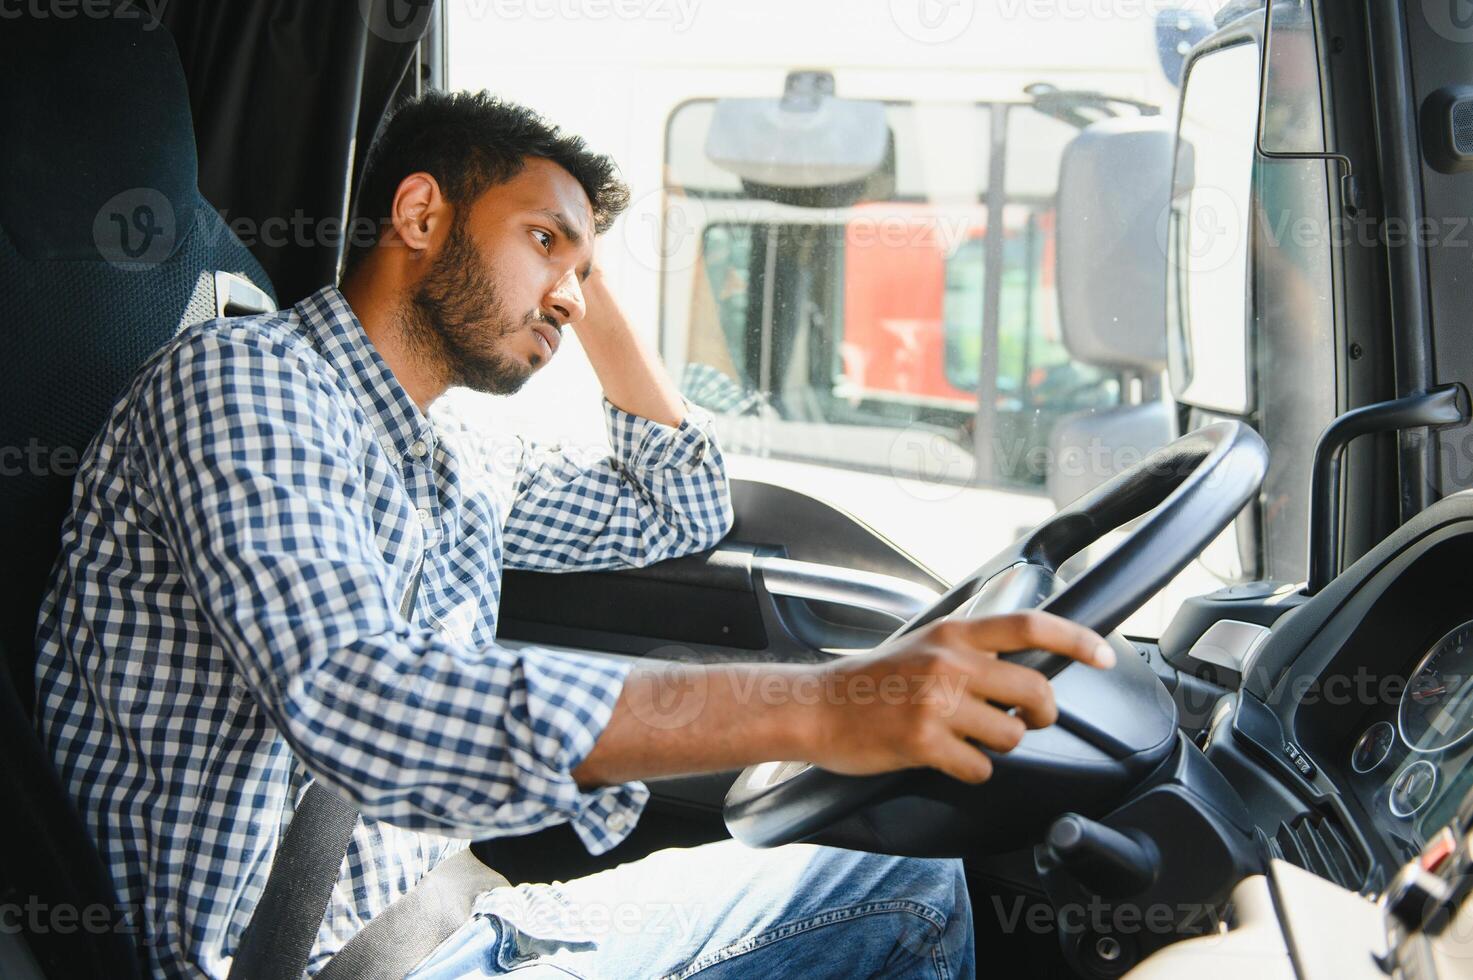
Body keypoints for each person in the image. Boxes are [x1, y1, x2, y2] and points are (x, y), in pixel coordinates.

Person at [34, 91, 1116, 979]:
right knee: (904, 890)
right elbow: (357, 690)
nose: (567, 292)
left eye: (583, 271)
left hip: (452, 919)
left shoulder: (456, 446)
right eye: (541, 240)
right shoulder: (243, 381)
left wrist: (572, 277)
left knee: (912, 872)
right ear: (420, 216)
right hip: (311, 964)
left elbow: (678, 501)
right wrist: (833, 702)